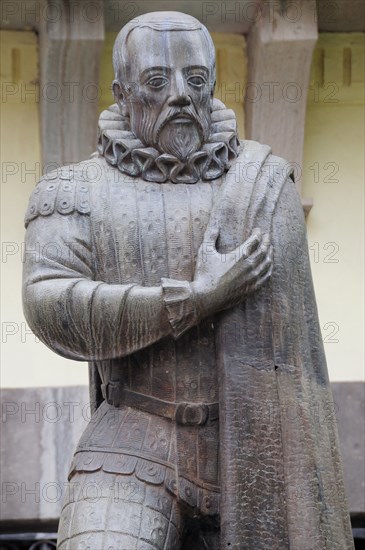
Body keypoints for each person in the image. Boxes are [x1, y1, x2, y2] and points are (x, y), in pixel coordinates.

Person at [23, 11, 354, 550]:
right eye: (157, 81)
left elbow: (298, 369)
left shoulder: (265, 185)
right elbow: (50, 304)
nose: (179, 94)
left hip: (253, 447)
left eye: (195, 80)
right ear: (122, 92)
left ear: (213, 86)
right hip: (132, 445)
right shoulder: (71, 191)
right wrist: (195, 299)